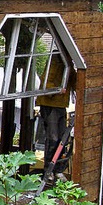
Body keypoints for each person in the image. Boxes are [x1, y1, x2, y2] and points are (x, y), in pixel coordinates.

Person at [36, 54, 76, 182]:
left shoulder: (68, 63)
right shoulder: (56, 60)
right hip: (49, 105)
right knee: (53, 138)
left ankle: (57, 169)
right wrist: (56, 90)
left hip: (60, 105)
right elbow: (46, 81)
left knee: (62, 139)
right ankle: (49, 170)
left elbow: (75, 82)